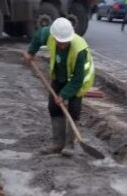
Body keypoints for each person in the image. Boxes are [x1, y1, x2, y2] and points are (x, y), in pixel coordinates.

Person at [23, 17, 96, 156]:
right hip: (59, 75)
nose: (62, 45)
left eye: (65, 43)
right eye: (59, 42)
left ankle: (69, 145)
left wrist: (64, 95)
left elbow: (77, 79)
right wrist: (31, 52)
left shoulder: (79, 50)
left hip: (79, 79)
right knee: (53, 107)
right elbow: (38, 37)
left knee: (73, 109)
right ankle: (57, 143)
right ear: (54, 37)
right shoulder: (49, 34)